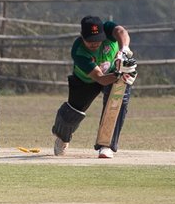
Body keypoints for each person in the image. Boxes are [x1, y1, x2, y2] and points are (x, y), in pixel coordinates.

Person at [51, 16, 135, 158]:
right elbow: (100, 78)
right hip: (86, 80)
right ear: (82, 36)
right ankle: (63, 138)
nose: (94, 44)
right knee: (71, 114)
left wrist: (124, 49)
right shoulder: (78, 50)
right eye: (90, 40)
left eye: (98, 39)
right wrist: (120, 74)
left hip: (112, 73)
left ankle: (106, 145)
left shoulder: (108, 29)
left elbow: (121, 31)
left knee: (117, 102)